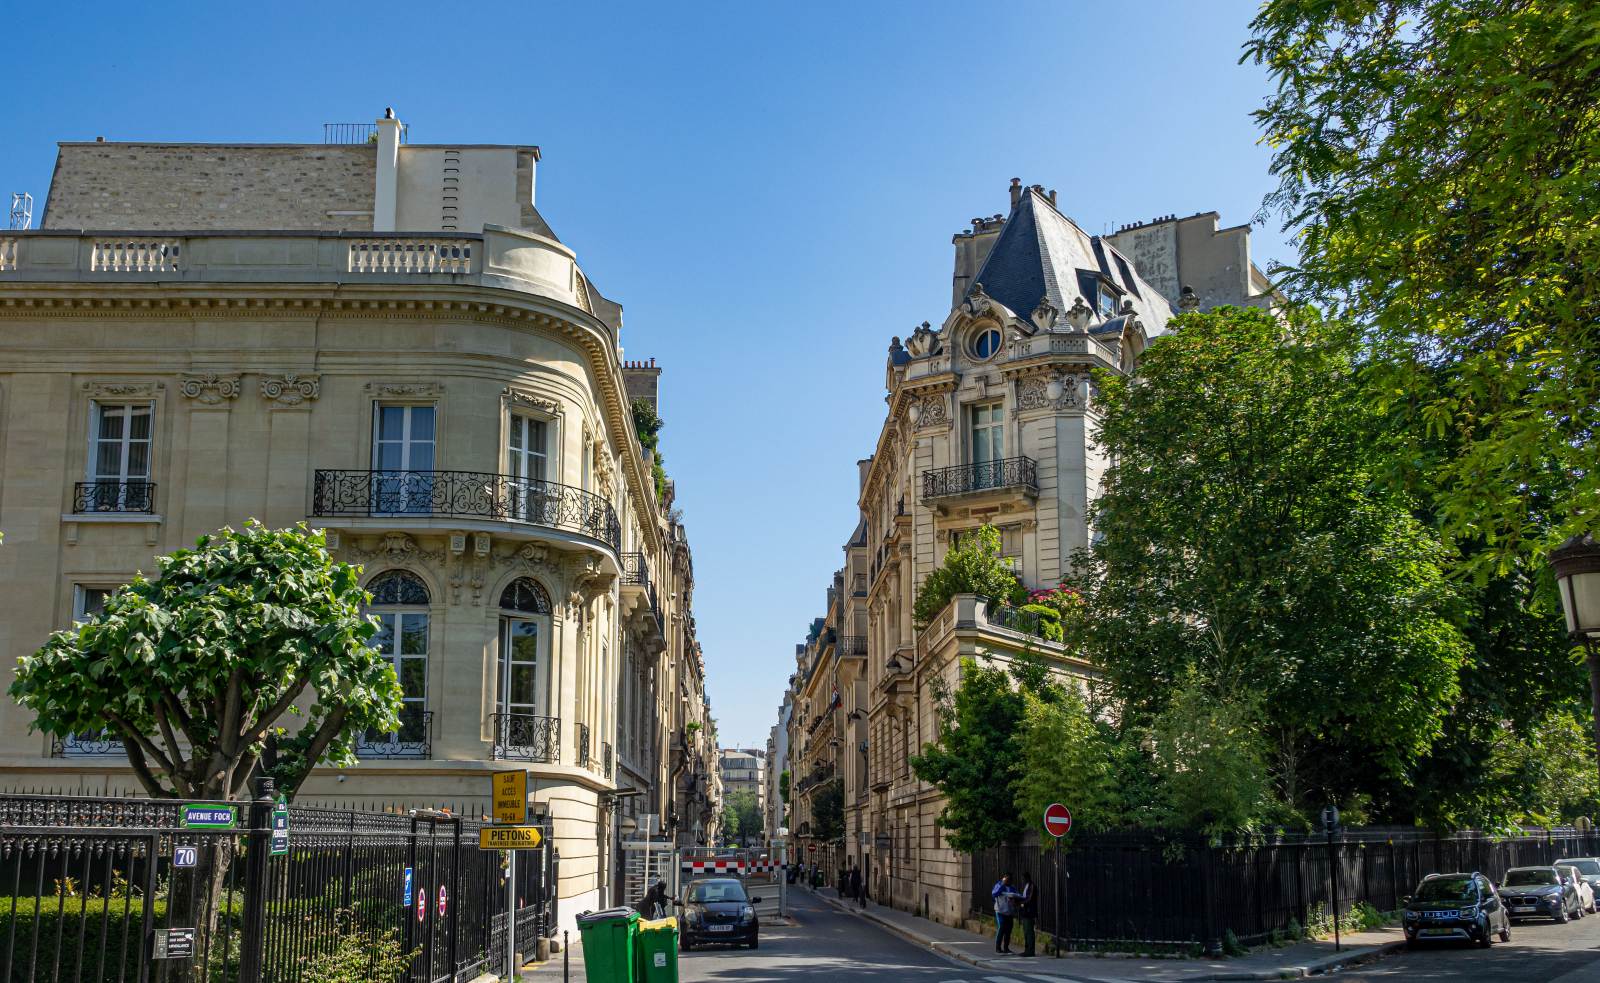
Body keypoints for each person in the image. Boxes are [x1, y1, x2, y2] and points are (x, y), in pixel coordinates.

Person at [991, 872, 1019, 953]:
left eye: (1010, 880)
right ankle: (998, 947)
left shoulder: (1012, 887)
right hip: (1000, 911)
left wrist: (1015, 900)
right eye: (1007, 879)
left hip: (1009, 912)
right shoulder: (999, 885)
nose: (1009, 881)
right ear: (1004, 878)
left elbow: (1016, 896)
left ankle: (1006, 947)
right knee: (1001, 928)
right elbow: (994, 894)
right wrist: (1003, 884)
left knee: (1008, 930)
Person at [1018, 872, 1038, 957]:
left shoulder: (1032, 886)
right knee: (1026, 932)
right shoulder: (1027, 886)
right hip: (1025, 912)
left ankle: (1030, 951)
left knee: (1029, 932)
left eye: (1023, 878)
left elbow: (1030, 899)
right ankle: (1027, 950)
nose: (1022, 880)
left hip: (1029, 912)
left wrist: (1022, 903)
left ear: (1027, 878)